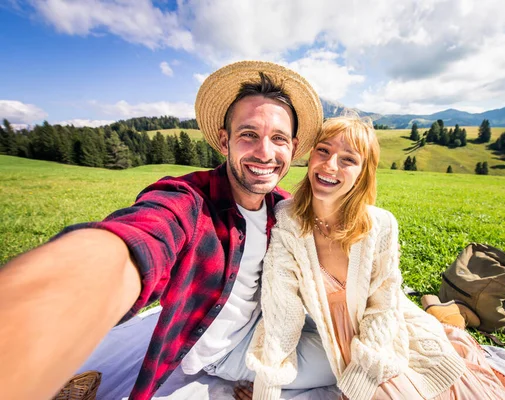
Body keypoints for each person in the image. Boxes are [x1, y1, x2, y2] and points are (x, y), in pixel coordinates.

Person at [0, 61, 336, 400]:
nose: (265, 152)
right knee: (348, 367)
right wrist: (39, 318)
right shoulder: (188, 203)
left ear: (292, 149)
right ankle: (262, 381)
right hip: (228, 350)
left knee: (368, 343)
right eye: (249, 134)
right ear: (224, 141)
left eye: (277, 138)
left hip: (269, 323)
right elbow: (142, 240)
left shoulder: (282, 206)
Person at [241, 115, 505, 400]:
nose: (329, 165)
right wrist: (266, 390)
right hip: (334, 341)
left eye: (348, 159)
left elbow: (382, 308)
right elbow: (282, 312)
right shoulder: (288, 219)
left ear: (364, 172)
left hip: (384, 335)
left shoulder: (380, 225)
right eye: (323, 151)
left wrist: (363, 376)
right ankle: (446, 314)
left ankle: (445, 319)